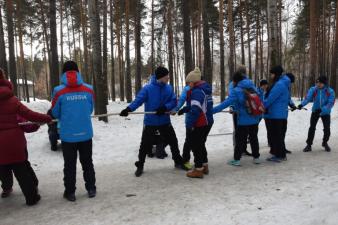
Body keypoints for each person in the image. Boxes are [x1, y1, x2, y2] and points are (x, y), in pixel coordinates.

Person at [119, 66, 189, 177]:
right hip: (150, 122)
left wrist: (165, 107)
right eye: (167, 76)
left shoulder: (169, 88)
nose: (168, 78)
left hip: (165, 121)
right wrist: (128, 109)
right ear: (161, 77)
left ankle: (178, 161)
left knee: (173, 141)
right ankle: (140, 165)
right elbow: (138, 100)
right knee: (145, 145)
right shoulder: (148, 88)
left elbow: (173, 101)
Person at [0, 69, 52, 205]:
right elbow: (30, 114)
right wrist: (46, 118)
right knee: (21, 169)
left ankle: (6, 188)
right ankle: (32, 198)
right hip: (14, 142)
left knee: (2, 165)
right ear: (4, 78)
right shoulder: (12, 100)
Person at [51, 61, 96, 202]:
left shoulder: (58, 91)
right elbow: (90, 110)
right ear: (78, 72)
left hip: (68, 135)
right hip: (85, 133)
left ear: (63, 73)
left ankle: (70, 192)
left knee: (69, 165)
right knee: (87, 162)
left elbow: (55, 112)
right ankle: (91, 188)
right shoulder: (89, 89)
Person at [213, 72, 261, 166]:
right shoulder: (252, 87)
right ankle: (256, 158)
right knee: (254, 138)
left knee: (240, 140)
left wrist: (212, 111)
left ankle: (237, 159)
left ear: (235, 81)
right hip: (254, 118)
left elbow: (226, 103)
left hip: (243, 120)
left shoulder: (236, 90)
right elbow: (259, 100)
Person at [178, 68, 213, 178]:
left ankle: (198, 169)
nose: (188, 85)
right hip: (205, 122)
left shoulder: (196, 92)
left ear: (193, 82)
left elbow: (196, 110)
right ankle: (204, 165)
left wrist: (191, 124)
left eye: (189, 82)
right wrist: (185, 109)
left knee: (196, 146)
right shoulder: (202, 90)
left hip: (200, 123)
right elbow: (197, 106)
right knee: (201, 144)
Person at [299, 76, 335, 152]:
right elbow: (308, 98)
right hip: (315, 110)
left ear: (324, 83)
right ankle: (309, 145)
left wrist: (324, 110)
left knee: (327, 129)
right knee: (312, 128)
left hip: (325, 112)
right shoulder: (314, 89)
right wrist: (301, 105)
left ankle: (325, 143)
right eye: (317, 82)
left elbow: (331, 103)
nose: (318, 84)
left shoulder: (330, 91)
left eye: (320, 83)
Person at [264, 66, 292, 162]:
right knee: (278, 135)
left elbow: (271, 99)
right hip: (279, 114)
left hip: (276, 114)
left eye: (272, 74)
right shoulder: (283, 83)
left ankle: (280, 155)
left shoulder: (279, 85)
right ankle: (279, 154)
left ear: (276, 74)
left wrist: (262, 105)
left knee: (277, 136)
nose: (271, 76)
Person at [175, 85, 193, 169]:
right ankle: (185, 161)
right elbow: (182, 99)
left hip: (202, 120)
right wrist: (177, 108)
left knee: (199, 141)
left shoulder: (203, 88)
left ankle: (201, 161)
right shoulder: (188, 89)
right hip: (191, 120)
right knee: (189, 140)